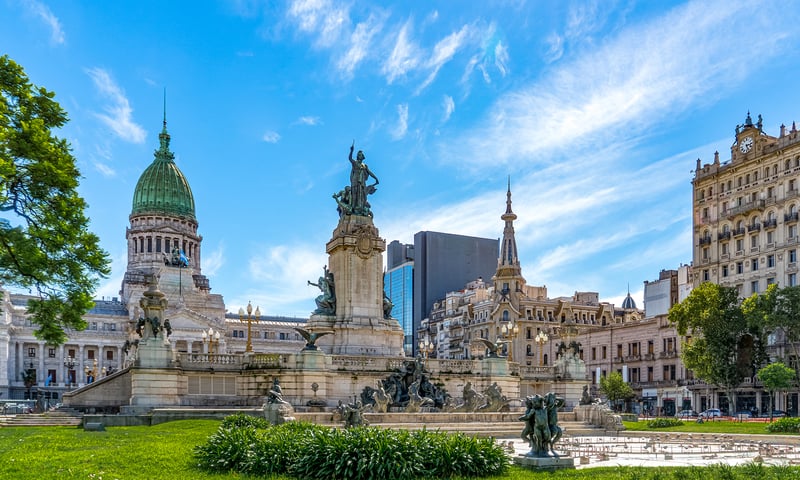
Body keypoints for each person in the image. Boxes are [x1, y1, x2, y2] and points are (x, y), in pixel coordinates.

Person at [348, 143, 379, 216]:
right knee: (355, 193)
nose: (359, 156)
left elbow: (370, 172)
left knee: (362, 194)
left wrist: (376, 178)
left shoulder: (365, 165)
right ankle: (353, 207)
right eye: (358, 155)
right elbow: (350, 158)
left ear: (362, 157)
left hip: (362, 181)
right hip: (355, 180)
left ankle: (360, 207)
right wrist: (351, 151)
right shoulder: (355, 163)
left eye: (360, 155)